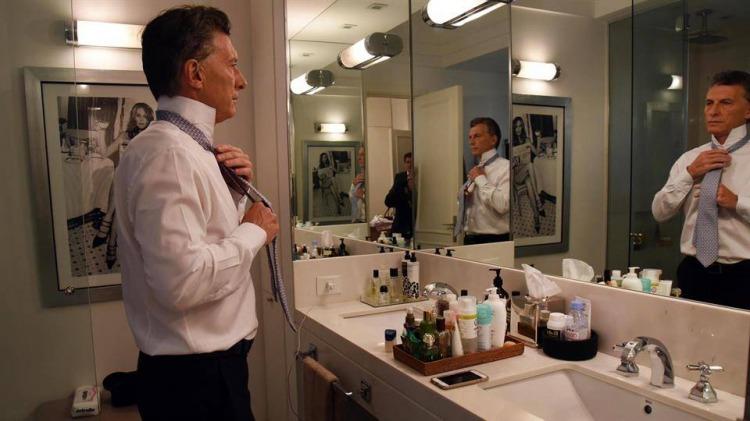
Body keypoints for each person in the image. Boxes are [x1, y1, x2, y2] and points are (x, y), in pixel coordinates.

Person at [113, 6, 279, 420]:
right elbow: (181, 282)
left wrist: (233, 194)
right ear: (196, 73)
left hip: (204, 376)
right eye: (232, 64)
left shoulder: (184, 150)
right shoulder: (169, 154)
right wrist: (254, 231)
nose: (241, 80)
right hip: (197, 386)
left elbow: (200, 240)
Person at [652, 70, 750, 310]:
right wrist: (689, 174)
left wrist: (737, 202)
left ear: (748, 110)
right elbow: (659, 212)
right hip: (694, 273)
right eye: (709, 103)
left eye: (725, 103)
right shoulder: (690, 159)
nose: (713, 111)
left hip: (744, 276)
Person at [92, 103, 155, 270]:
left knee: (121, 180)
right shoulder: (125, 134)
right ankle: (112, 243)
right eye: (138, 115)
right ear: (133, 117)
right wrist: (101, 133)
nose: (141, 119)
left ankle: (106, 224)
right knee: (119, 178)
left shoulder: (152, 136)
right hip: (124, 181)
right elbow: (105, 153)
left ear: (150, 117)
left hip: (142, 182)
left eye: (145, 116)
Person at [455, 117, 510, 244]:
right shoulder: (476, 169)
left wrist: (481, 179)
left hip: (494, 241)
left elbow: (503, 205)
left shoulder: (506, 167)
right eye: (470, 137)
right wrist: (465, 197)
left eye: (477, 136)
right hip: (470, 239)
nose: (471, 141)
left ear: (493, 140)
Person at [511, 116, 544, 233]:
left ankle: (536, 218)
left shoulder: (527, 140)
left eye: (520, 126)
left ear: (522, 127)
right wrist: (513, 162)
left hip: (527, 174)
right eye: (516, 127)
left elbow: (538, 153)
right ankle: (538, 198)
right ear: (513, 128)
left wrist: (538, 139)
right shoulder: (512, 143)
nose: (518, 129)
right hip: (517, 175)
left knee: (529, 183)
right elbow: (509, 166)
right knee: (530, 165)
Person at [385, 152, 414, 239]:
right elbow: (388, 201)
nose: (410, 165)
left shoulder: (421, 177)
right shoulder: (400, 177)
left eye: (412, 162)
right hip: (401, 222)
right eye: (408, 162)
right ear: (404, 164)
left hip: (415, 222)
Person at [350, 146, 366, 222]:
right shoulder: (358, 178)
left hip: (368, 219)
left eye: (362, 155)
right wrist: (353, 185)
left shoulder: (374, 177)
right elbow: (353, 199)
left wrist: (363, 196)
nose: (358, 158)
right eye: (358, 155)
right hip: (358, 220)